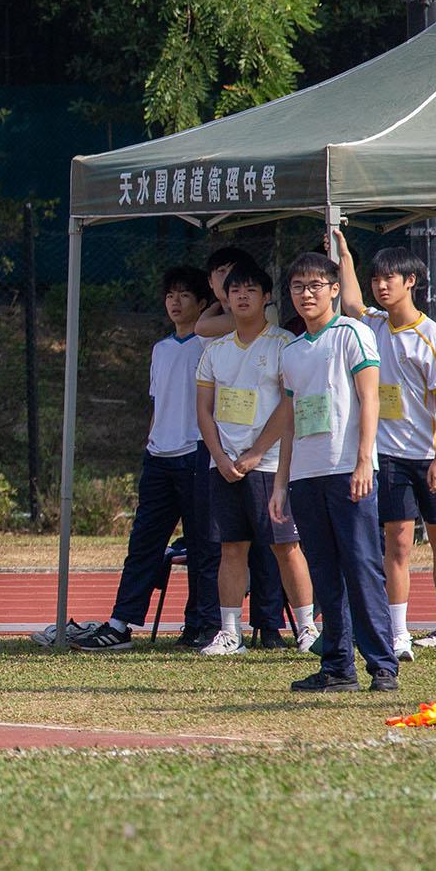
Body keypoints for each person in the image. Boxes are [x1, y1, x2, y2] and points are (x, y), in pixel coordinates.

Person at [74, 266, 223, 652]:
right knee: (143, 543)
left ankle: (202, 625)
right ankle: (120, 624)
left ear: (202, 303)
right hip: (158, 459)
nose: (175, 302)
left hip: (196, 455)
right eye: (170, 295)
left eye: (185, 295)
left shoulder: (210, 345)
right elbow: (158, 403)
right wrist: (151, 442)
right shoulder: (160, 349)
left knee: (203, 546)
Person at [270, 251, 398, 693]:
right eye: (298, 287)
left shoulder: (353, 333)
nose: (306, 294)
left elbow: (370, 400)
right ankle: (338, 666)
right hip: (306, 476)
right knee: (324, 572)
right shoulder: (290, 351)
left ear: (334, 289)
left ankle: (382, 665)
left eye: (315, 286)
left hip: (348, 470)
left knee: (362, 566)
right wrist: (281, 482)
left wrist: (364, 460)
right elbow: (289, 421)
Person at [336, 235, 436, 662]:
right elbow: (351, 304)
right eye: (376, 279)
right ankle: (398, 634)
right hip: (389, 455)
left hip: (433, 456)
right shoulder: (372, 324)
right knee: (397, 543)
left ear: (410, 281)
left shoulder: (431, 335)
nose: (381, 286)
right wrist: (345, 255)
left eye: (389, 278)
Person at [191, 259, 319, 656]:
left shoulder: (284, 344)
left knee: (286, 546)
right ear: (226, 299)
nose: (242, 297)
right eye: (235, 291)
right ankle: (230, 633)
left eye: (250, 290)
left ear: (266, 297)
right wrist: (220, 457)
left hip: (269, 464)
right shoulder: (215, 351)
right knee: (231, 548)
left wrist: (257, 452)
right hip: (224, 466)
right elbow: (204, 410)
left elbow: (289, 404)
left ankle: (307, 629)